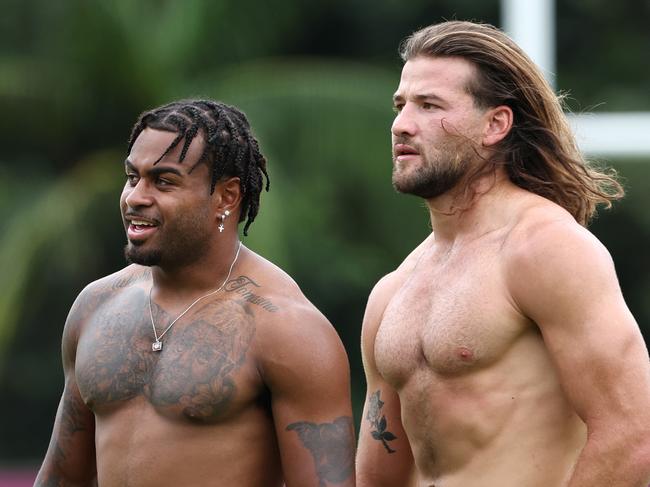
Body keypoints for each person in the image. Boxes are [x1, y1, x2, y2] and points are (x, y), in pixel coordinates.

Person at [356, 20, 650, 487]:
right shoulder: (392, 290)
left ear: (496, 124)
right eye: (401, 104)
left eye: (429, 106)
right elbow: (378, 473)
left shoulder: (545, 249)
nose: (401, 124)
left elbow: (634, 436)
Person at [35, 99, 355, 487]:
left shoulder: (287, 328)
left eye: (164, 181)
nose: (135, 197)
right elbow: (61, 479)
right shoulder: (95, 306)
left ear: (227, 197)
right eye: (132, 177)